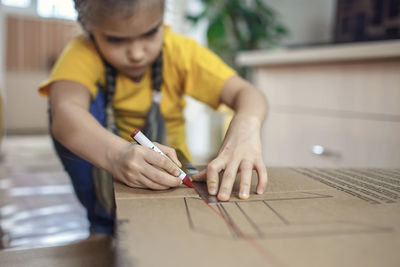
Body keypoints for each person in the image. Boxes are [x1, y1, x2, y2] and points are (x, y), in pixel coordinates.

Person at [39, 0, 268, 236]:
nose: (137, 54)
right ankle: (103, 222)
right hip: (109, 171)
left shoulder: (180, 51)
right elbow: (65, 113)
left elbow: (249, 94)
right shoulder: (83, 53)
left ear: (162, 20)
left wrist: (247, 125)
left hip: (171, 174)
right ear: (88, 27)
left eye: (149, 34)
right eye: (116, 40)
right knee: (63, 99)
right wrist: (117, 155)